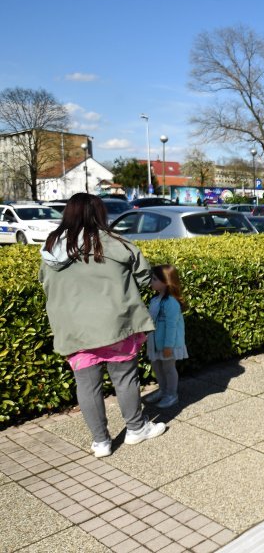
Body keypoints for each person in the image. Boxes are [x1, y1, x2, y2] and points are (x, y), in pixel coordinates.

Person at [39, 193, 166, 458]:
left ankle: (101, 442)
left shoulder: (51, 248)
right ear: (100, 214)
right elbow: (144, 277)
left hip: (74, 330)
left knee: (86, 385)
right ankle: (135, 429)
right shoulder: (115, 243)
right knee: (125, 378)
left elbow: (44, 281)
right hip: (116, 324)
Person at [142, 264, 187, 409]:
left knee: (168, 368)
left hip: (168, 344)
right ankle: (162, 390)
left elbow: (171, 326)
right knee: (157, 367)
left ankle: (171, 394)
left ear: (166, 281)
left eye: (154, 279)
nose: (151, 282)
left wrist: (169, 345)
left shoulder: (171, 303)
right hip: (155, 342)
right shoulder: (155, 300)